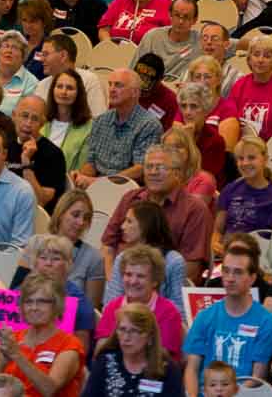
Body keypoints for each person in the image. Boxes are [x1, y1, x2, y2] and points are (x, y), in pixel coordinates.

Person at [101, 144, 213, 284]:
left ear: (177, 173)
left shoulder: (195, 210)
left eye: (160, 167)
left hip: (164, 289)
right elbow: (108, 246)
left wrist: (146, 288)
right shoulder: (130, 198)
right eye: (148, 167)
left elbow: (191, 268)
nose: (153, 172)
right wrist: (113, 281)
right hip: (120, 281)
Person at [183, 243, 272, 395]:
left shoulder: (266, 322)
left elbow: (256, 379)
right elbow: (192, 369)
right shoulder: (205, 316)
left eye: (238, 273)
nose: (230, 278)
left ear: (252, 278)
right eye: (226, 271)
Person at [0, 273, 84, 397]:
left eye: (42, 302)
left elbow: (49, 390)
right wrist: (2, 363)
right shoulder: (12, 339)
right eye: (28, 302)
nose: (34, 307)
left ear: (57, 305)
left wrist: (17, 355)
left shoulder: (70, 344)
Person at [94, 246, 183, 364]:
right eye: (128, 274)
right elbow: (100, 351)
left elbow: (164, 357)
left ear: (155, 281)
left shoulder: (168, 312)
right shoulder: (113, 307)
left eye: (140, 276)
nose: (133, 281)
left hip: (153, 375)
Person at [73, 69, 162, 186]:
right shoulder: (101, 120)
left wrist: (99, 183)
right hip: (96, 185)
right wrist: (80, 176)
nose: (111, 89)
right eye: (110, 84)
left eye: (118, 85)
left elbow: (140, 169)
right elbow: (91, 162)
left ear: (135, 92)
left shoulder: (149, 125)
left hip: (127, 189)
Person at [216, 32, 272, 148]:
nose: (260, 60)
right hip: (240, 148)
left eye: (267, 56)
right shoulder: (240, 85)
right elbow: (229, 119)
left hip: (269, 150)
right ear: (249, 59)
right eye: (256, 54)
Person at [214, 136, 272, 252]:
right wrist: (215, 244)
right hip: (227, 253)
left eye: (251, 158)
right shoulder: (230, 189)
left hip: (257, 256)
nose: (245, 163)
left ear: (265, 159)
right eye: (241, 158)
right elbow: (218, 230)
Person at [48, 189, 104, 302]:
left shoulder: (94, 258)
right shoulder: (35, 246)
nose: (81, 222)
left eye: (86, 218)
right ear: (61, 214)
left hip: (72, 318)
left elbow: (90, 312)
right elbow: (16, 295)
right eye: (76, 215)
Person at [34, 30, 107, 116]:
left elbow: (98, 119)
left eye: (46, 54)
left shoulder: (89, 80)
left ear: (63, 56)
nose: (42, 59)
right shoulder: (41, 85)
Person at [132, 0, 199, 77]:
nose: (181, 21)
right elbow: (134, 71)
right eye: (177, 15)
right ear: (170, 15)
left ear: (195, 20)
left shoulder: (201, 42)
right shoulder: (152, 36)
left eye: (186, 17)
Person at [41, 68, 92, 172]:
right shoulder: (41, 120)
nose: (63, 92)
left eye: (70, 88)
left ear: (79, 93)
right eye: (59, 86)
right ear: (52, 90)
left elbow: (82, 168)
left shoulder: (89, 128)